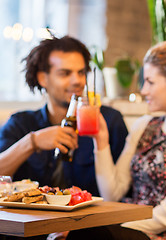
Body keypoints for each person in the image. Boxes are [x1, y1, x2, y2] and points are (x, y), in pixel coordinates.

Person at [67, 30, 166, 240]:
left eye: (150, 82)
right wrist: (101, 142)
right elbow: (112, 194)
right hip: (123, 230)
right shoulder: (143, 126)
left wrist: (99, 224)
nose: (143, 90)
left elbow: (163, 219)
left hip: (162, 235)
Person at [0, 36, 128, 197]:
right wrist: (32, 142)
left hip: (93, 221)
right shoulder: (21, 124)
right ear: (42, 78)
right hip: (33, 220)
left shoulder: (109, 122)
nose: (77, 81)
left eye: (81, 72)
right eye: (65, 73)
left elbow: (124, 191)